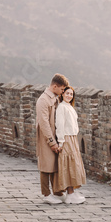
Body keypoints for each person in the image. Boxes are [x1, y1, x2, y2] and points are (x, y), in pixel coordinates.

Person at [36, 73, 69, 204]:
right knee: (46, 165)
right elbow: (44, 123)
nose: (63, 92)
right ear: (55, 86)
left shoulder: (55, 98)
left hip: (56, 135)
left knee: (55, 164)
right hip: (46, 138)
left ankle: (57, 191)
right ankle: (46, 194)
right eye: (61, 89)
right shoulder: (43, 100)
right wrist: (51, 142)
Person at [55, 86, 86, 204]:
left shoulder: (69, 107)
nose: (69, 96)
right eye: (67, 93)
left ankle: (72, 192)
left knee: (74, 165)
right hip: (66, 139)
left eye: (71, 94)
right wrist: (61, 141)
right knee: (68, 165)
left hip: (72, 138)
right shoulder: (61, 107)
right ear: (62, 94)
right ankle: (70, 194)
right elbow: (60, 125)